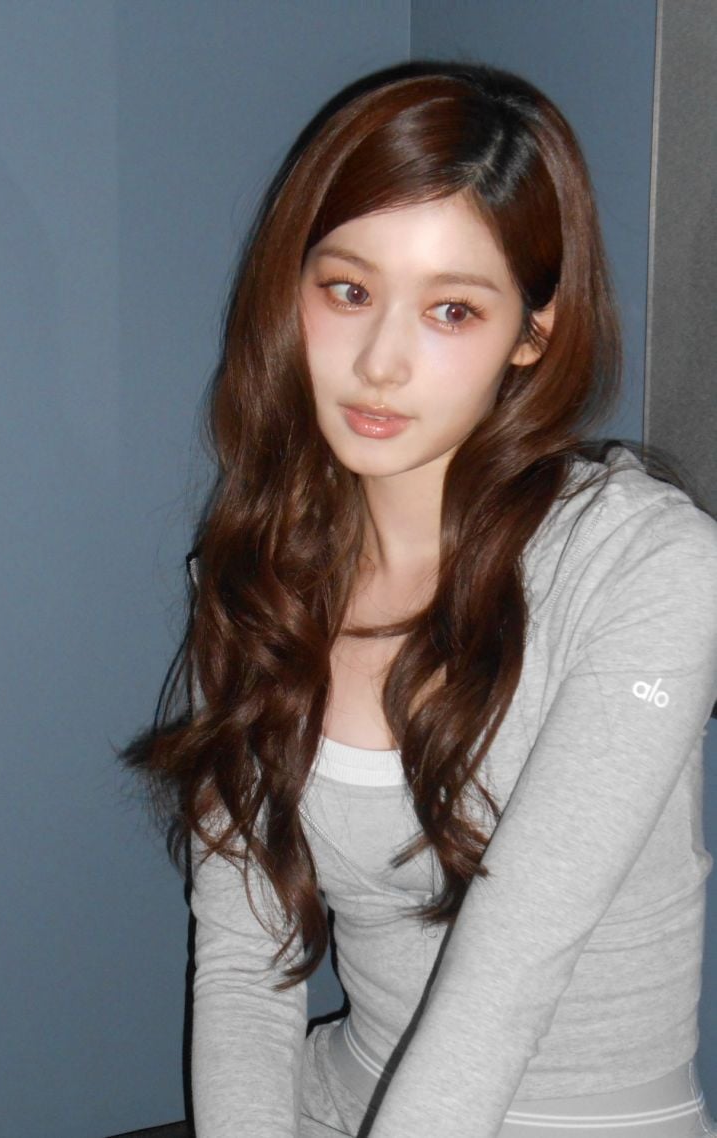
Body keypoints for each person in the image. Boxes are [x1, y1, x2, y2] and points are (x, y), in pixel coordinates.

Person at [125, 62, 717, 1137]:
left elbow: (509, 976)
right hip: (339, 1098)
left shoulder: (650, 567)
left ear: (531, 333)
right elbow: (245, 968)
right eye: (348, 292)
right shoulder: (262, 570)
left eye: (451, 310)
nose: (380, 363)